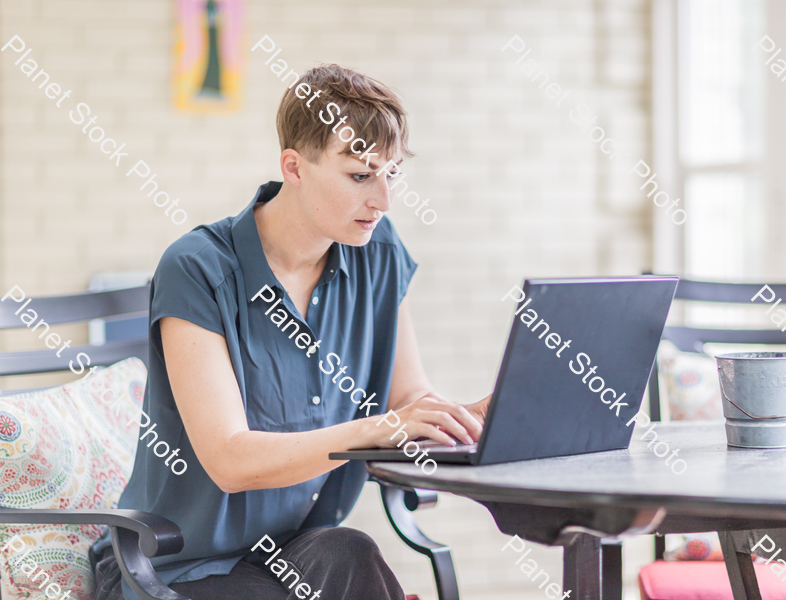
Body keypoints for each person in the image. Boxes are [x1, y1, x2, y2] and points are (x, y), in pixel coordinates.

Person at [92, 64, 491, 600]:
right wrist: (375, 428)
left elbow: (408, 397)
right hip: (174, 569)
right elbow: (230, 460)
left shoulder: (379, 252)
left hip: (295, 560)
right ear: (294, 167)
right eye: (359, 175)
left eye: (392, 174)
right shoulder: (197, 270)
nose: (383, 200)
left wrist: (469, 417)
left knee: (350, 550)